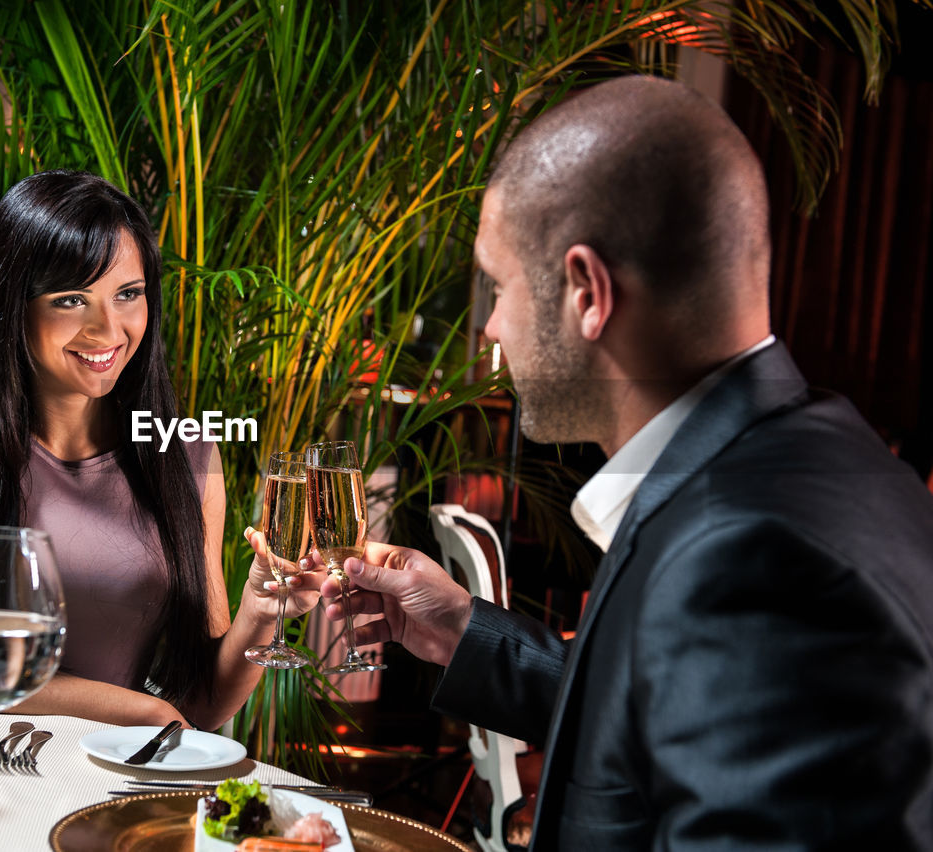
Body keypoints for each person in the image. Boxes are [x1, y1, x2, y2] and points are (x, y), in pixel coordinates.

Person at [320, 76, 933, 849]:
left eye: (499, 288)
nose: (492, 332)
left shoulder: (753, 557)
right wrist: (464, 633)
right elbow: (669, 710)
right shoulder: (818, 468)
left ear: (587, 292)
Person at [0, 170, 319, 729]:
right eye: (70, 300)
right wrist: (141, 710)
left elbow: (201, 706)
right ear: (12, 304)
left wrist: (261, 609)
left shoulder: (186, 452)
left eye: (128, 294)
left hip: (111, 782)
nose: (107, 329)